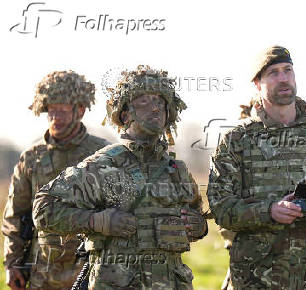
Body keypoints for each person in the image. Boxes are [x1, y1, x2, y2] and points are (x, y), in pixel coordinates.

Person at [207, 46, 306, 289]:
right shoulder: (236, 140)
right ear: (257, 83)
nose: (283, 78)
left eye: (288, 70)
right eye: (273, 73)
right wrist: (269, 211)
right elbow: (220, 207)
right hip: (254, 278)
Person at [33, 65, 208, 289]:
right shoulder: (103, 165)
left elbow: (196, 217)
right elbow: (43, 208)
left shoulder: (176, 170)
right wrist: (96, 221)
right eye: (144, 101)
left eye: (160, 102)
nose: (155, 108)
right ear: (125, 114)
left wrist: (198, 226)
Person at [2, 71, 109, 289]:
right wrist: (12, 264)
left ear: (80, 110)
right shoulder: (32, 157)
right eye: (51, 110)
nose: (55, 117)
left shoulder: (102, 154)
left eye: (63, 110)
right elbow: (16, 215)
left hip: (92, 270)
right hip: (43, 273)